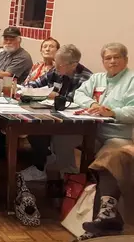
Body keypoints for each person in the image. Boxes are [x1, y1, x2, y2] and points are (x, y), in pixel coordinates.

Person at [21, 45, 93, 183]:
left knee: (49, 134)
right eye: (55, 62)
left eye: (60, 64)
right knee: (32, 128)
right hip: (51, 115)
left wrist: (57, 96)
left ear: (73, 65)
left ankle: (59, 173)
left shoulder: (85, 78)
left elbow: (75, 100)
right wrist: (34, 91)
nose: (56, 66)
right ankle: (43, 166)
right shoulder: (56, 70)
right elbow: (33, 84)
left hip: (73, 123)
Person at [74, 42, 134, 151]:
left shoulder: (131, 80)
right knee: (62, 138)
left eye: (116, 57)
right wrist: (93, 104)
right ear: (103, 62)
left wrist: (113, 112)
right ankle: (67, 168)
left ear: (126, 60)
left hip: (117, 135)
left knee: (107, 158)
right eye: (108, 58)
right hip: (92, 130)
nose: (112, 61)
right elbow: (78, 94)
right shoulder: (96, 78)